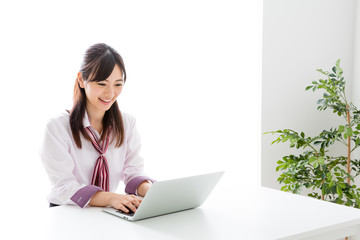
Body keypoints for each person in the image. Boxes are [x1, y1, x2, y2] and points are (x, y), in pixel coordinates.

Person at [40, 43, 154, 214]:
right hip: (66, 212)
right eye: (101, 84)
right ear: (81, 80)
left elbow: (133, 171)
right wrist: (112, 198)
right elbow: (64, 187)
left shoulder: (127, 123)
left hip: (103, 212)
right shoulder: (57, 128)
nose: (110, 94)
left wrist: (151, 191)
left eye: (118, 84)